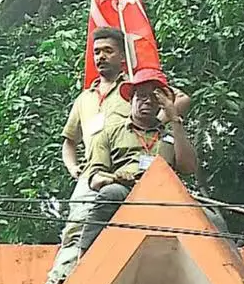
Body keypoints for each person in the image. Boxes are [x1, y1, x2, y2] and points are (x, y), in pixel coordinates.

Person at [17, 28, 190, 284]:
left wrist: (157, 115)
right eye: (96, 52)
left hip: (135, 168)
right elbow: (68, 141)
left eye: (108, 51)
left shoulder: (133, 88)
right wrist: (74, 169)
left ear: (123, 57)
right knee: (76, 227)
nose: (100, 57)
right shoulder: (84, 98)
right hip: (96, 172)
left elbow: (181, 99)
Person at [78, 68, 226, 254]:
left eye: (154, 97)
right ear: (130, 100)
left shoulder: (170, 137)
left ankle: (235, 275)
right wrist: (116, 178)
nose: (147, 101)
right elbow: (94, 178)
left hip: (165, 194)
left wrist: (174, 119)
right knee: (110, 193)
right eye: (141, 96)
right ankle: (82, 258)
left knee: (214, 219)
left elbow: (188, 167)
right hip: (127, 189)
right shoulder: (110, 132)